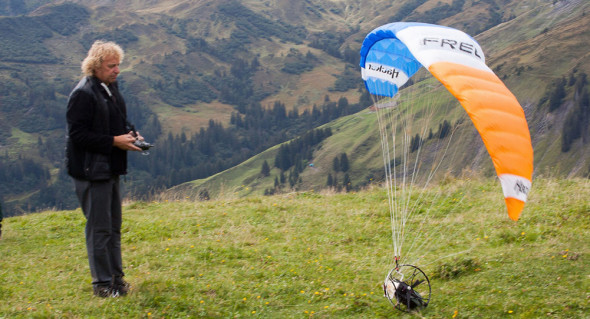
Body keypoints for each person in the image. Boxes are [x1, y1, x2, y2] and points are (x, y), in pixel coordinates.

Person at [65, 40, 143, 298]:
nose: (117, 70)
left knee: (114, 227)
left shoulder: (109, 88)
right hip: (91, 172)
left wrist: (130, 134)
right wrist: (114, 141)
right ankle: (102, 285)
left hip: (109, 167)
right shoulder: (83, 94)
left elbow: (116, 120)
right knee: (99, 229)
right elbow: (78, 135)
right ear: (95, 66)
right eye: (111, 66)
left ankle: (117, 281)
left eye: (118, 65)